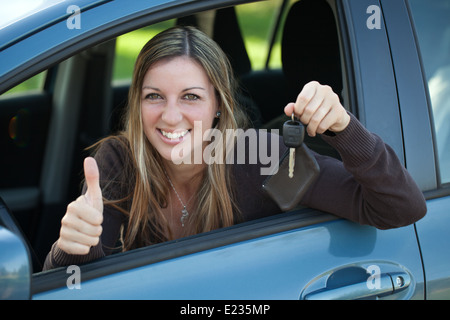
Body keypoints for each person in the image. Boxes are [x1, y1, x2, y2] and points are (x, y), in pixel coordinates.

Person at [43, 26, 426, 270]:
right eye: (154, 96)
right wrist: (71, 246)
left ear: (217, 107)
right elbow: (70, 286)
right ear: (137, 104)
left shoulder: (260, 159)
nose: (171, 116)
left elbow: (400, 206)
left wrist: (344, 129)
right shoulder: (118, 162)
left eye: (191, 97)